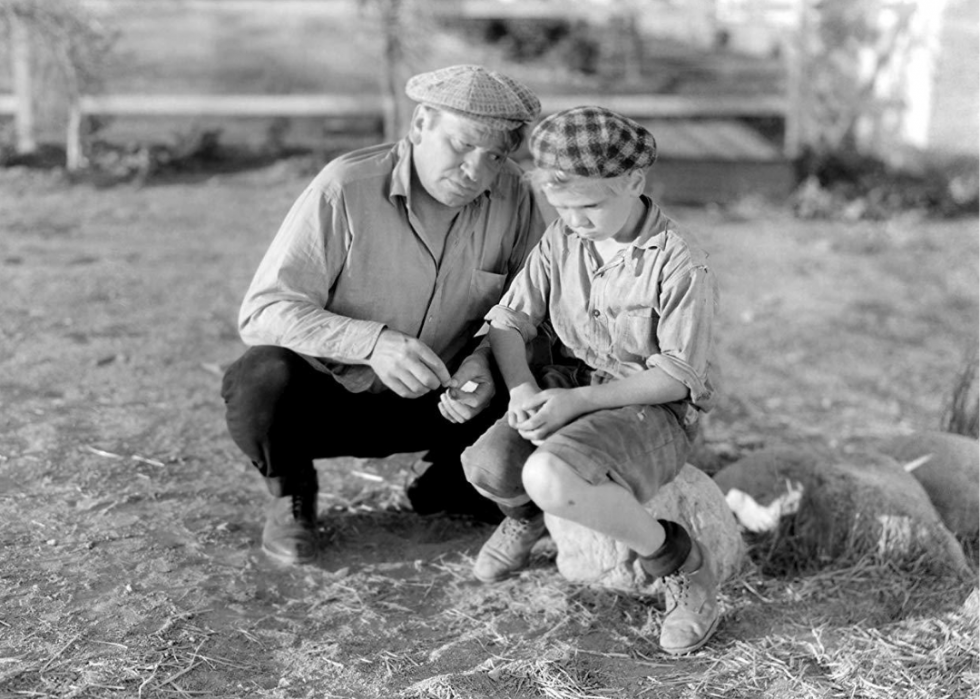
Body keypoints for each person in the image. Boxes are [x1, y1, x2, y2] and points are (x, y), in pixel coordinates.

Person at [221, 65, 546, 566]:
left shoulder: (515, 195)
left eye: (495, 156)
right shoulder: (345, 187)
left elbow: (529, 304)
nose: (475, 173)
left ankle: (450, 483)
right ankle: (291, 491)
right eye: (461, 146)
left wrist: (483, 357)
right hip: (335, 398)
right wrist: (372, 344)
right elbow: (263, 310)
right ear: (420, 126)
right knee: (259, 378)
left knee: (534, 369)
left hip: (445, 399)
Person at [460, 106, 721, 655]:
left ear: (633, 182)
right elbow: (509, 322)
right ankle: (528, 518)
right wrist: (524, 390)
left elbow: (676, 376)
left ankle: (683, 564)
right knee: (485, 465)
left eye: (589, 205)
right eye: (561, 207)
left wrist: (576, 401)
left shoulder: (679, 262)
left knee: (551, 475)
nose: (575, 221)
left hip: (647, 407)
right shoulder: (562, 240)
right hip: (566, 384)